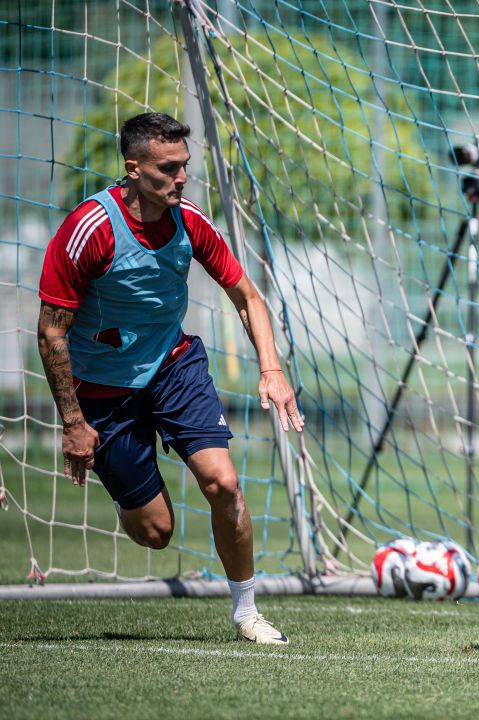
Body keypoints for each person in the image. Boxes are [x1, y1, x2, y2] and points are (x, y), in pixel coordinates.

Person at [37, 112, 302, 644]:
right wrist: (73, 422)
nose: (182, 178)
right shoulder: (90, 229)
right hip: (103, 390)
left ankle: (247, 612)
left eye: (185, 165)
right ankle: (126, 485)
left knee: (223, 483)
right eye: (168, 168)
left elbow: (247, 297)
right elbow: (51, 332)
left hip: (173, 366)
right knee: (156, 533)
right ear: (133, 168)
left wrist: (272, 371)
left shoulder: (189, 220)